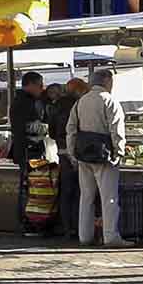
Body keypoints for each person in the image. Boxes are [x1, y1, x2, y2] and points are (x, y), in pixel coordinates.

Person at [70, 69, 129, 247]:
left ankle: (84, 236)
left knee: (86, 197)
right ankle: (111, 236)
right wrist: (119, 152)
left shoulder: (80, 102)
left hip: (83, 156)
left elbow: (71, 129)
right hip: (104, 155)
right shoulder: (110, 101)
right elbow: (116, 130)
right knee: (109, 198)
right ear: (107, 81)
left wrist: (73, 153)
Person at [10, 71, 51, 229]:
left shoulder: (24, 101)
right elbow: (27, 128)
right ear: (32, 85)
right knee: (31, 187)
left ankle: (30, 220)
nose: (42, 89)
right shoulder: (25, 103)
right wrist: (45, 128)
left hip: (27, 149)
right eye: (40, 85)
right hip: (29, 150)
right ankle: (30, 221)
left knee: (30, 186)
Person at [51, 79, 87, 236]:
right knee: (81, 191)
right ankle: (80, 226)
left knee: (66, 191)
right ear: (79, 90)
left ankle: (67, 227)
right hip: (78, 151)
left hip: (62, 152)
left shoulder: (56, 105)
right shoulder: (80, 105)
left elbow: (51, 131)